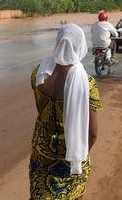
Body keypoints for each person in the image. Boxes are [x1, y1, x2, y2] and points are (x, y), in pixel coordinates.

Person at [29, 23, 102, 199]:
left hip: (41, 152)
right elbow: (92, 134)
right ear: (80, 46)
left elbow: (41, 110)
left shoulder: (39, 73)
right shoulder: (86, 84)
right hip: (71, 157)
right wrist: (79, 155)